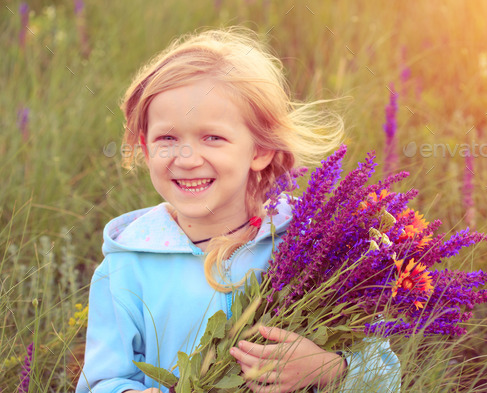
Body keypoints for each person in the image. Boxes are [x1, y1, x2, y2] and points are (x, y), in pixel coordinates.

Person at [76, 27, 400, 393]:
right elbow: (101, 381)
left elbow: (385, 373)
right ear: (146, 150)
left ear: (259, 150)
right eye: (167, 138)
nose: (187, 158)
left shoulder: (311, 246)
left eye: (212, 137)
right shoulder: (126, 267)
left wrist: (328, 369)